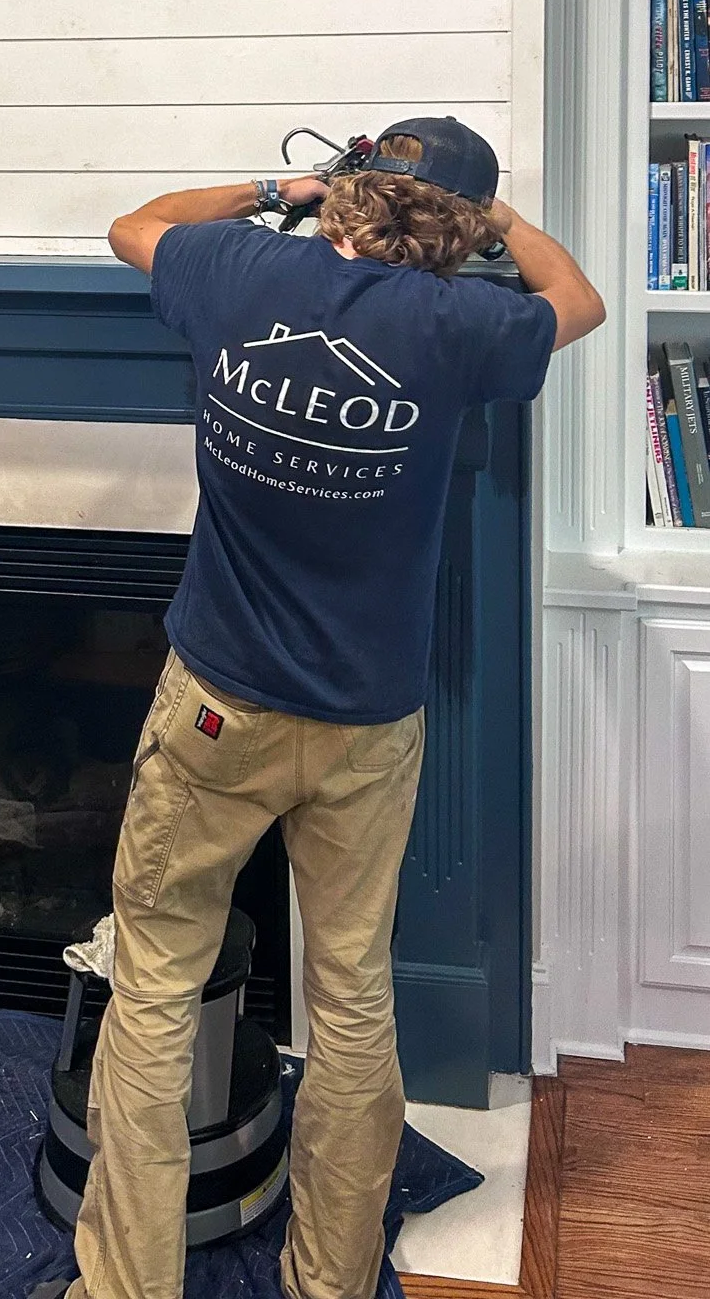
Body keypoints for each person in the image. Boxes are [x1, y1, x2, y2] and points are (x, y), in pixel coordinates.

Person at [68, 119, 604, 1299]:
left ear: (343, 194)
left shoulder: (242, 268)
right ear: (455, 231)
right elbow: (579, 299)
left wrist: (278, 186)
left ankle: (124, 1287)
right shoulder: (462, 325)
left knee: (153, 988)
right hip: (363, 722)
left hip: (215, 707)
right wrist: (501, 222)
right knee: (351, 998)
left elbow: (131, 224)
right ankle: (329, 1279)